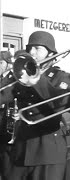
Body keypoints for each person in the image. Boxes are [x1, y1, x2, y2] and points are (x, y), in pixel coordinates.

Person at [3, 31, 70, 180]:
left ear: (50, 53)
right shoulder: (21, 76)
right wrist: (7, 79)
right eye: (30, 48)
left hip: (48, 152)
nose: (32, 52)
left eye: (38, 48)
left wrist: (36, 77)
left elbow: (57, 103)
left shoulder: (61, 77)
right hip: (22, 148)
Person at [0, 51, 15, 179]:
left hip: (7, 127)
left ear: (9, 64)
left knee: (6, 164)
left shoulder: (12, 78)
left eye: (0, 63)